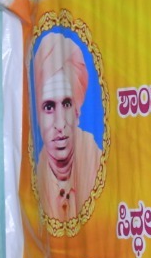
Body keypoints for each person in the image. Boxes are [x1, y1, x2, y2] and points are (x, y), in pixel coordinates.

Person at [32, 32, 102, 221]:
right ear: (37, 117)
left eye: (67, 104)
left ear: (77, 112)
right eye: (49, 107)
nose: (60, 124)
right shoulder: (32, 182)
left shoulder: (98, 166)